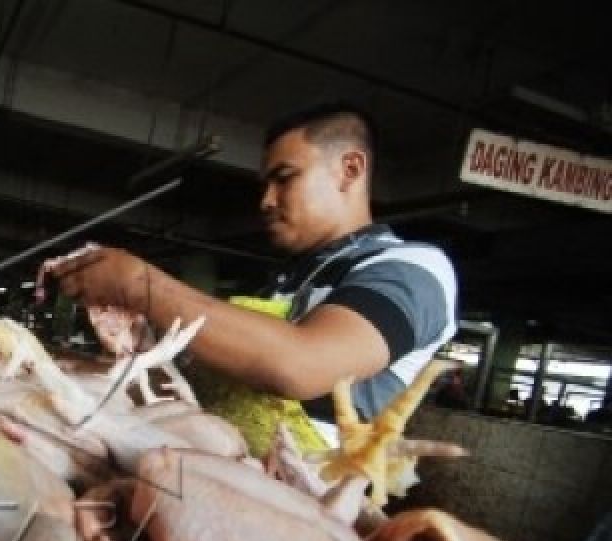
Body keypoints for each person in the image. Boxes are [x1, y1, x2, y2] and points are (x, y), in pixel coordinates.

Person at [50, 103, 458, 445]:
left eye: (284, 179)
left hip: (307, 507)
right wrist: (140, 343)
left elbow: (300, 364)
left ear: (349, 169)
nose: (266, 201)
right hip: (228, 472)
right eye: (266, 184)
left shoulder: (411, 268)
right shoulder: (286, 283)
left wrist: (142, 287)